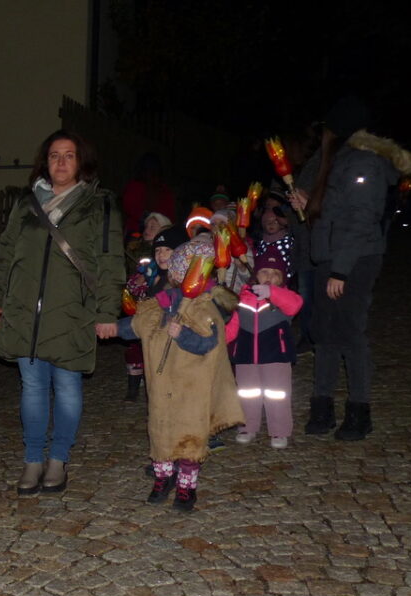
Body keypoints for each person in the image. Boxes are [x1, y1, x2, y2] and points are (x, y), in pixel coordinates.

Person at [0, 130, 126, 495]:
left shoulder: (100, 204)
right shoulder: (27, 203)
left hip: (72, 311)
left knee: (66, 386)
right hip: (23, 312)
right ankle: (33, 459)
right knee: (31, 387)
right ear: (44, 161)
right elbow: (6, 252)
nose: (61, 162)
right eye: (54, 155)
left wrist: (106, 311)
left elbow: (110, 262)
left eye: (69, 155)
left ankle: (59, 458)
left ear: (82, 161)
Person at [287, 97, 411, 440]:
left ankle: (359, 412)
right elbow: (335, 214)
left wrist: (340, 271)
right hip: (332, 256)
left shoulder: (363, 162)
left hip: (354, 260)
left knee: (349, 333)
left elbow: (360, 219)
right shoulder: (340, 160)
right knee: (323, 332)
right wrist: (309, 206)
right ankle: (322, 407)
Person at [117, 238, 243, 511]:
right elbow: (135, 325)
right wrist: (111, 327)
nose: (174, 274)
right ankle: (163, 479)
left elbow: (209, 343)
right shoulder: (160, 304)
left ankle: (187, 487)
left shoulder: (206, 307)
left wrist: (183, 335)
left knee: (189, 437)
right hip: (163, 385)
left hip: (192, 386)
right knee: (160, 432)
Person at [226, 250, 303, 448]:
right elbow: (233, 326)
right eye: (265, 271)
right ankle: (247, 426)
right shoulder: (242, 298)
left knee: (276, 394)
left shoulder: (283, 296)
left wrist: (273, 293)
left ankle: (279, 431)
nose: (269, 276)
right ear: (255, 275)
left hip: (276, 354)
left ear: (282, 278)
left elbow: (295, 305)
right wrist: (217, 339)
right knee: (247, 393)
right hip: (245, 355)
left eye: (275, 273)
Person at [122, 213, 173, 400]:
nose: (147, 230)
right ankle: (134, 387)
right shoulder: (136, 249)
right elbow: (131, 277)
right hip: (140, 304)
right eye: (147, 226)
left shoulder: (168, 257)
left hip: (160, 308)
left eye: (153, 226)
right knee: (135, 347)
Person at [120, 152, 176, 238]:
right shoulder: (135, 187)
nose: (151, 174)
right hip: (136, 234)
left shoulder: (165, 192)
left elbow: (169, 218)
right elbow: (128, 207)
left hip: (157, 234)